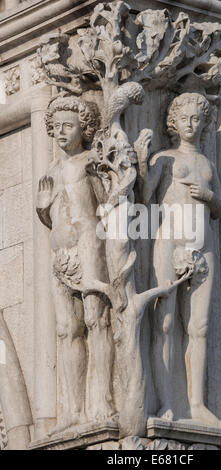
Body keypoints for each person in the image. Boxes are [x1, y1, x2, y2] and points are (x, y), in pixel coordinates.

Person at [135, 93, 221, 424]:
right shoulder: (165, 158)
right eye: (184, 118)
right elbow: (144, 197)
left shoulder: (207, 164)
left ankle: (197, 404)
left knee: (198, 325)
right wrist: (143, 163)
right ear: (173, 122)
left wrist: (209, 195)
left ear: (204, 123)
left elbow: (220, 210)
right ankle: (166, 403)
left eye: (196, 119)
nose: (190, 124)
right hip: (169, 243)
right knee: (166, 323)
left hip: (204, 246)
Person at [37, 96, 115, 431]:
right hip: (61, 256)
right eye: (55, 127)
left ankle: (104, 402)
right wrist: (42, 206)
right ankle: (72, 408)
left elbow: (109, 204)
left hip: (89, 248)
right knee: (67, 328)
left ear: (83, 129)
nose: (60, 133)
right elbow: (50, 215)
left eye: (68, 126)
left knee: (97, 321)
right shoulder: (52, 170)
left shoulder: (89, 162)